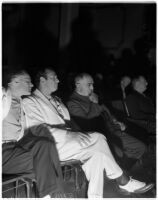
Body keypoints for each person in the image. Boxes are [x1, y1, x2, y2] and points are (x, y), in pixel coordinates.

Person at [22, 67, 153, 198]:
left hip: (69, 144)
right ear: (42, 80)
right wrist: (70, 134)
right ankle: (122, 180)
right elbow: (37, 129)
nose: (58, 79)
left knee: (97, 154)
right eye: (54, 77)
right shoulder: (30, 101)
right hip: (49, 146)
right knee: (98, 138)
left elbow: (71, 123)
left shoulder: (57, 100)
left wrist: (78, 133)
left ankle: (95, 196)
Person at [2, 68, 65, 198]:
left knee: (45, 143)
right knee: (44, 163)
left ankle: (52, 193)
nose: (31, 85)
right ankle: (54, 194)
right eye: (27, 81)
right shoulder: (2, 97)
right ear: (13, 83)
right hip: (3, 153)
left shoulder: (21, 102)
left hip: (14, 149)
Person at [67, 73, 147, 169]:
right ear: (78, 85)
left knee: (141, 147)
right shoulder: (73, 103)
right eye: (89, 85)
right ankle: (119, 171)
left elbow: (106, 111)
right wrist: (95, 103)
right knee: (120, 154)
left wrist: (115, 121)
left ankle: (120, 168)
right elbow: (86, 123)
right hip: (100, 137)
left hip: (112, 130)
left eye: (93, 84)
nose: (92, 87)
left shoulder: (92, 95)